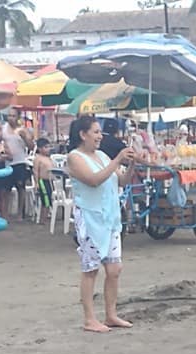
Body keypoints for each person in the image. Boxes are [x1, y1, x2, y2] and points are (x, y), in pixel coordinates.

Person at [66, 114, 137, 333]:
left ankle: (111, 314)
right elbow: (94, 180)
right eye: (96, 132)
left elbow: (122, 180)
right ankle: (89, 319)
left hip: (110, 217)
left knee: (114, 268)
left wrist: (132, 163)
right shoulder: (75, 157)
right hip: (90, 217)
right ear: (83, 134)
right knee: (91, 268)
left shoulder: (103, 156)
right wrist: (117, 159)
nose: (99, 136)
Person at [2, 107, 34, 220]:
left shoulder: (23, 130)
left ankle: (20, 213)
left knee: (21, 188)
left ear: (18, 117)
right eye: (9, 115)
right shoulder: (3, 129)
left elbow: (31, 147)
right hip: (7, 163)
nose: (10, 118)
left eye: (13, 116)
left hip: (20, 161)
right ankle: (5, 213)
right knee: (6, 189)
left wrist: (25, 138)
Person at [32, 138, 54, 221]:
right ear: (39, 148)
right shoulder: (38, 159)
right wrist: (36, 183)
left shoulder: (48, 158)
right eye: (45, 147)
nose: (48, 149)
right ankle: (42, 218)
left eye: (49, 147)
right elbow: (35, 171)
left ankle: (47, 215)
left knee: (49, 198)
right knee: (45, 199)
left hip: (50, 181)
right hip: (42, 181)